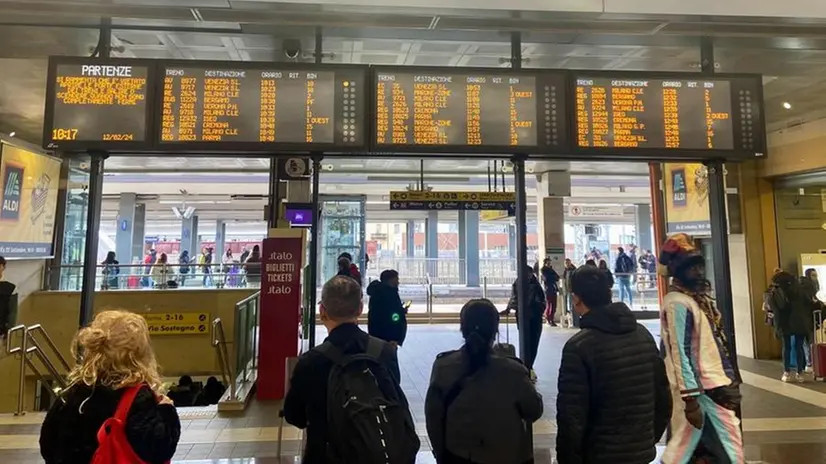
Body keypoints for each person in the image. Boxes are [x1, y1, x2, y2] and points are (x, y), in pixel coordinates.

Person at [284, 276, 419, 463]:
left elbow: (294, 416)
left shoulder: (311, 362)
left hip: (326, 455)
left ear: (322, 311)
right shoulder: (383, 352)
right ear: (360, 309)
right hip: (377, 452)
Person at [556, 266, 671, 464]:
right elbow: (663, 399)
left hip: (599, 456)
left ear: (576, 299)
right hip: (640, 453)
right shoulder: (643, 335)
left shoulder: (578, 347)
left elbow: (571, 418)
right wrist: (646, 441)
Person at [39, 310, 181, 463]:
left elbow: (48, 444)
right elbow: (158, 448)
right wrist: (167, 412)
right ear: (139, 355)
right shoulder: (137, 397)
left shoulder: (75, 391)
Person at [659, 233, 744, 464]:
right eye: (691, 267)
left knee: (689, 448)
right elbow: (680, 351)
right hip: (705, 389)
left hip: (714, 385)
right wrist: (691, 399)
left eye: (699, 266)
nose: (698, 272)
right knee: (725, 447)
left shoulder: (697, 299)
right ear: (677, 270)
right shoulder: (678, 302)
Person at [425, 299, 543, 464]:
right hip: (508, 456)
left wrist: (442, 455)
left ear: (463, 329)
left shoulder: (444, 366)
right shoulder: (513, 371)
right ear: (494, 331)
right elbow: (533, 410)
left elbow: (433, 418)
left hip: (459, 455)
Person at [502, 265, 546, 381]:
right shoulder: (518, 283)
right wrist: (509, 308)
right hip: (524, 317)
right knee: (527, 342)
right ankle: (527, 366)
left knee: (533, 342)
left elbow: (541, 302)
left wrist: (533, 309)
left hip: (533, 318)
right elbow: (514, 297)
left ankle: (529, 366)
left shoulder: (535, 286)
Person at [769, 270, 813, 382]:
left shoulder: (777, 292)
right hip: (800, 322)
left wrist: (777, 327)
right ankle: (800, 372)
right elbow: (809, 304)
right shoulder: (800, 290)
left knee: (786, 347)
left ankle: (786, 372)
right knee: (799, 347)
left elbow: (776, 309)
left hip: (785, 322)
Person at [540, 258, 560, 326]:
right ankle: (549, 318)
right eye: (548, 262)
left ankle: (551, 318)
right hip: (548, 289)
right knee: (549, 305)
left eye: (549, 262)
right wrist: (552, 277)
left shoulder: (551, 269)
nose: (549, 263)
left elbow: (557, 277)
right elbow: (547, 278)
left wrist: (552, 277)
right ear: (545, 263)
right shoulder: (543, 270)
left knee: (554, 305)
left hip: (553, 289)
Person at [562, 258, 578, 327]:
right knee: (569, 305)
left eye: (567, 263)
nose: (566, 265)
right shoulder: (566, 271)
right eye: (565, 263)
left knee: (573, 306)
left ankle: (575, 322)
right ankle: (571, 321)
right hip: (568, 290)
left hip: (573, 291)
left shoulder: (573, 270)